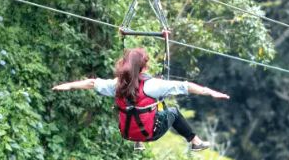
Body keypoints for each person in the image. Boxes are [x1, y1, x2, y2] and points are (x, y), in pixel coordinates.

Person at [52, 47, 229, 151]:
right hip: (150, 133)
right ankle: (195, 142)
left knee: (136, 107)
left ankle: (138, 143)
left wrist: (68, 85)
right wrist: (210, 91)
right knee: (172, 111)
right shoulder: (154, 86)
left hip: (126, 132)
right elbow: (186, 86)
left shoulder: (117, 84)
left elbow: (91, 83)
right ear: (144, 67)